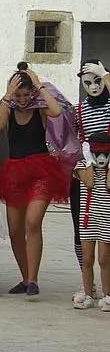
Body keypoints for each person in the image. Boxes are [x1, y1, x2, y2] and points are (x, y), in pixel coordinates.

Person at [0, 68, 69, 296]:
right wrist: (8, 95)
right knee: (15, 230)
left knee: (33, 222)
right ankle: (26, 278)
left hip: (41, 171)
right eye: (19, 95)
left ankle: (34, 279)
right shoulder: (9, 109)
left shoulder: (40, 109)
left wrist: (39, 85)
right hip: (14, 172)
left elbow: (57, 111)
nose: (23, 99)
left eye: (26, 95)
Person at [73, 59, 110, 310]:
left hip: (107, 171)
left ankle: (107, 292)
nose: (94, 86)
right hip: (88, 170)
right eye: (89, 82)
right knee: (84, 241)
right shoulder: (81, 110)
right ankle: (88, 290)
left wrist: (104, 73)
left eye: (98, 81)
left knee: (105, 253)